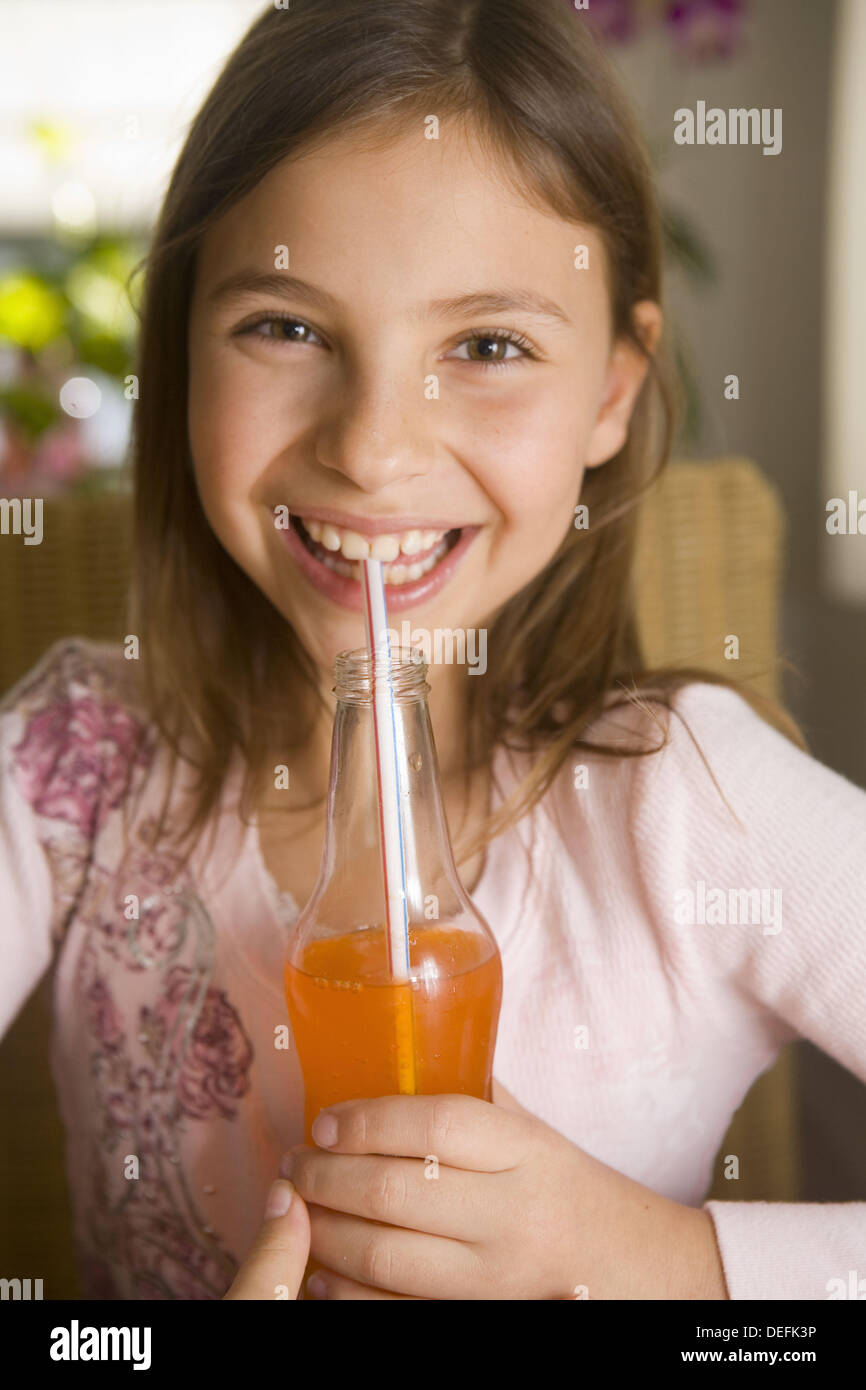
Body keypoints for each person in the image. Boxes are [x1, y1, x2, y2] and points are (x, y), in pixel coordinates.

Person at [2, 0, 864, 1301]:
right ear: (181, 343)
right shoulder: (73, 765)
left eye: (486, 346)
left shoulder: (690, 803)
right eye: (286, 326)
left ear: (612, 393)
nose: (372, 449)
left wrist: (663, 1257)